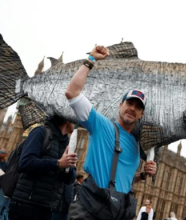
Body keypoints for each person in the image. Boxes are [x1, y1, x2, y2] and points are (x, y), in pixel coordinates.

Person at [65, 45, 157, 219]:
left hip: (117, 212)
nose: (132, 109)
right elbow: (72, 92)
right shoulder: (100, 124)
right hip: (90, 210)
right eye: (129, 103)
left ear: (141, 114)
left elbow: (123, 178)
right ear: (120, 105)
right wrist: (90, 60)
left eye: (137, 107)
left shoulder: (137, 146)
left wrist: (144, 174)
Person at [8, 115, 77, 220]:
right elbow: (25, 163)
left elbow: (68, 180)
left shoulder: (68, 143)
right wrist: (58, 163)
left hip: (48, 207)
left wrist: (69, 168)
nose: (76, 122)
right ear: (67, 119)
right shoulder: (40, 132)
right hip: (26, 204)